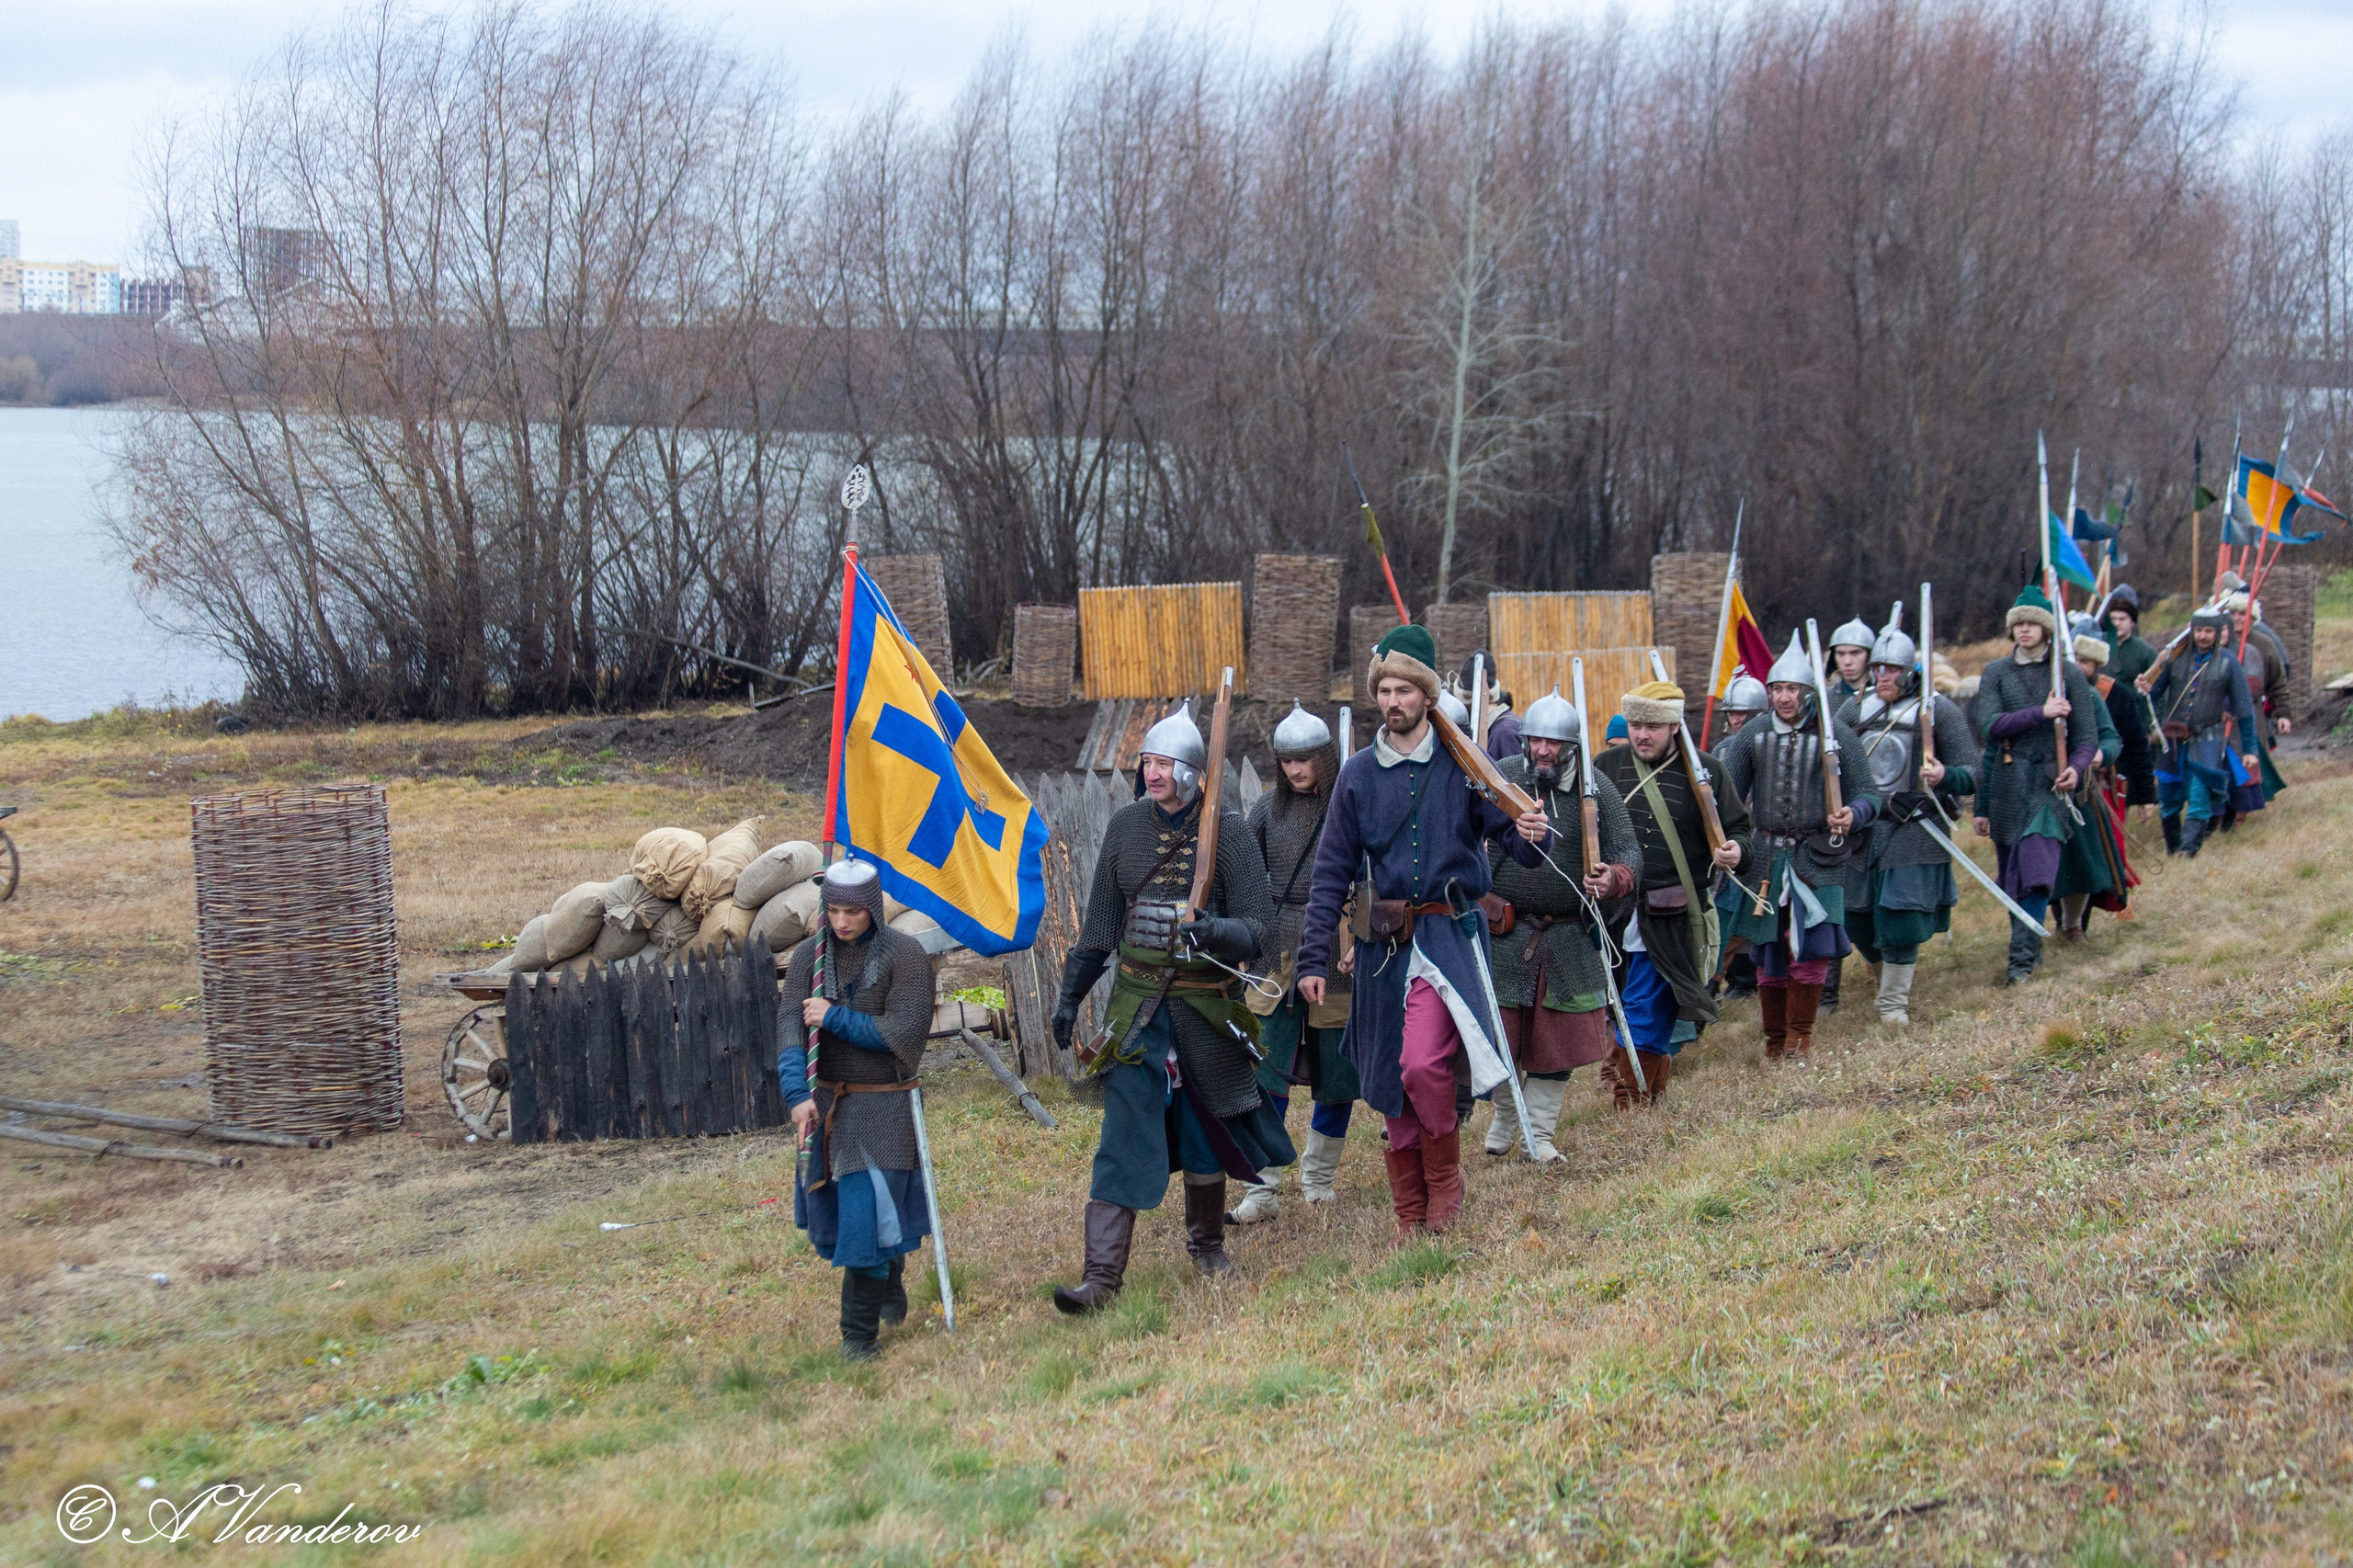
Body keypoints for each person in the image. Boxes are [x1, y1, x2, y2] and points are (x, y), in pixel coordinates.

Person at [1294, 623, 1553, 1243]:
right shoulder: (1357, 775)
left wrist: (1531, 831)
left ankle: (1445, 1185)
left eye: (1404, 690)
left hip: (1446, 941)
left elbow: (1517, 847)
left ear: (1427, 697)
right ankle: (1411, 1213)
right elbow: (1331, 871)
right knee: (1388, 1079)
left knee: (1420, 1067)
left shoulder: (1464, 765)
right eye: (1383, 690)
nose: (1392, 702)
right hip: (1385, 950)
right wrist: (1312, 958)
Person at [1048, 703, 1289, 1312]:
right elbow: (1101, 923)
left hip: (1206, 1010)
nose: (1153, 773)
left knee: (1205, 1132)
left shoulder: (1227, 832)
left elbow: (1262, 929)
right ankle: (1101, 1280)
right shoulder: (1128, 828)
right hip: (1138, 1012)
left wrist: (1215, 932)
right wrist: (1070, 996)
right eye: (1148, 762)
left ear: (1190, 772)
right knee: (1122, 1133)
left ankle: (1207, 1248)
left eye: (1165, 764)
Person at [779, 859, 940, 1360]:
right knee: (846, 1219)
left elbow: (903, 1038)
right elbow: (789, 1028)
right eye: (833, 910)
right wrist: (796, 1094)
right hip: (828, 1103)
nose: (842, 921)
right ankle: (888, 1278)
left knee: (867, 1220)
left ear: (872, 907)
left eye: (852, 911)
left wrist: (836, 1017)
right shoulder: (810, 955)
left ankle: (857, 1339)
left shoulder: (906, 956)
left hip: (882, 1108)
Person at [1481, 687, 1638, 1153]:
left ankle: (1541, 1133)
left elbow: (1627, 849)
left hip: (1568, 933)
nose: (1542, 751)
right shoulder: (1505, 776)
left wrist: (1613, 878)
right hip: (1507, 929)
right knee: (1502, 1035)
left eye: (1553, 744)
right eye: (1535, 741)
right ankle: (1509, 1116)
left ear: (1571, 747)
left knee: (1558, 1040)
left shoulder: (1596, 787)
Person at [1715, 631, 1877, 1060]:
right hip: (1766, 859)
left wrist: (1852, 814)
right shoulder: (1752, 733)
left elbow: (1868, 794)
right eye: (1778, 689)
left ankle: (1800, 1038)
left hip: (1818, 856)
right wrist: (1731, 838)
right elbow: (1728, 796)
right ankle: (1773, 1041)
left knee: (1812, 947)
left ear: (1808, 692)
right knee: (1770, 951)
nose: (1785, 697)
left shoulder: (1835, 731)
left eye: (1793, 689)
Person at [1231, 702, 1355, 1223]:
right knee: (1267, 1068)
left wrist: (1359, 940)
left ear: (1324, 758)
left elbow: (1369, 878)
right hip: (1276, 954)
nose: (1295, 771)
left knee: (1338, 1071)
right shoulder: (1265, 812)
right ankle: (1263, 1186)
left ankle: (1319, 1177)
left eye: (1304, 760)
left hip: (1335, 947)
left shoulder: (1351, 806)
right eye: (1286, 762)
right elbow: (1244, 881)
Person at [1597, 678, 1751, 1098]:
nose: (1642, 735)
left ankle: (1631, 1099)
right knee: (1621, 1005)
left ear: (1673, 727)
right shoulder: (1606, 768)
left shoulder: (1707, 771)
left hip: (1671, 913)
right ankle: (1643, 1088)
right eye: (1636, 725)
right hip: (1610, 912)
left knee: (1645, 1005)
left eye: (1653, 726)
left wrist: (1735, 851)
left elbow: (1739, 829)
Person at [1833, 619, 1978, 1026]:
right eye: (1878, 668)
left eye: (1892, 669)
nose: (1884, 676)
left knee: (1900, 918)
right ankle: (1885, 983)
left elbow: (1974, 772)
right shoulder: (1853, 708)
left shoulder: (1937, 710)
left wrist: (1945, 776)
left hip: (1915, 826)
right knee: (1857, 917)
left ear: (1910, 670)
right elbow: (1832, 764)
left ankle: (1892, 1004)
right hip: (1864, 827)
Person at [1972, 585, 2101, 983]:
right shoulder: (1996, 673)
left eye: (2032, 623)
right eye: (2019, 623)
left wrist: (2077, 769)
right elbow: (1990, 726)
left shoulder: (2068, 674)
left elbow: (2087, 737)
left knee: (2038, 869)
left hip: (2050, 787)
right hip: (2009, 782)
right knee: (2012, 875)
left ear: (2046, 629)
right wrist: (2040, 713)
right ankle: (2029, 946)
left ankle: (2020, 964)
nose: (2025, 630)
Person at [2139, 604, 2260, 860]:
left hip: (2208, 740)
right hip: (2172, 741)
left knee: (2199, 795)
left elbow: (2245, 710)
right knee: (2169, 796)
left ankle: (2188, 850)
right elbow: (2153, 694)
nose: (2203, 636)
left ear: (2217, 633)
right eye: (2198, 630)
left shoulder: (2229, 664)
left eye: (2208, 631)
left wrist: (2250, 750)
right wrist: (2144, 686)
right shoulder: (2174, 659)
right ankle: (2173, 849)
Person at [2053, 631, 2143, 940]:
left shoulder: (2104, 696)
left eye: (2085, 662)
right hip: (2037, 787)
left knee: (2083, 863)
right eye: (2074, 660)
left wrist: (2098, 755)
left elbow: (2117, 740)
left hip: (2084, 788)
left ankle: (2072, 924)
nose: (2078, 667)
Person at [1708, 670, 1770, 1003]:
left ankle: (1751, 979)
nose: (1737, 720)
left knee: (1762, 914)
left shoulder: (1771, 745)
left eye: (1744, 714)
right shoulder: (1721, 749)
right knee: (1726, 912)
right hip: (1733, 838)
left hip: (1767, 838)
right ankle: (1725, 980)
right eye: (1732, 713)